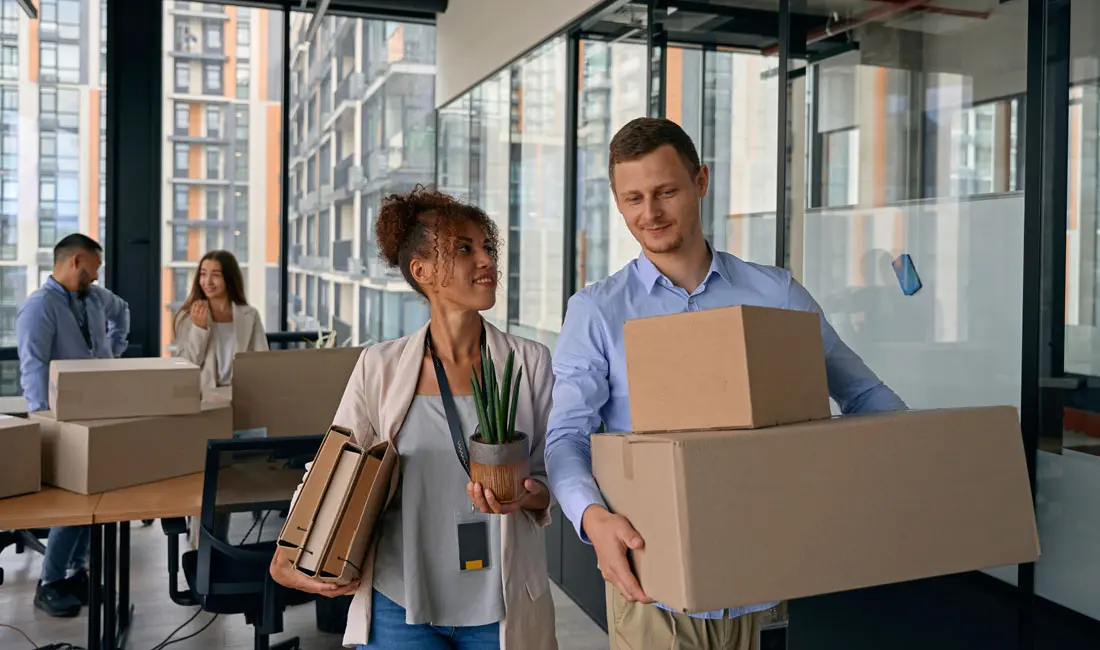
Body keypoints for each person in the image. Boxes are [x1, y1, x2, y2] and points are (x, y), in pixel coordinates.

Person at [545, 117, 908, 650]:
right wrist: (592, 518)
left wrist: (918, 455)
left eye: (666, 192)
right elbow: (566, 437)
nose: (650, 213)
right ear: (618, 203)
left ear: (701, 181)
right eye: (633, 198)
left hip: (764, 579)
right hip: (654, 586)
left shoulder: (775, 294)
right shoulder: (596, 311)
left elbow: (863, 393)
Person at [270, 188, 558, 650]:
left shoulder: (529, 363)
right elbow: (333, 464)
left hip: (501, 603)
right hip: (399, 599)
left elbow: (551, 474)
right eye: (464, 248)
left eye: (487, 246)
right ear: (421, 271)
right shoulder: (380, 366)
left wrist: (523, 495)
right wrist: (289, 545)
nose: (486, 260)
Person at [16, 233, 130, 617]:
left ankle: (75, 572)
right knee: (73, 505)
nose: (96, 278)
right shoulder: (39, 307)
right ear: (75, 261)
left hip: (100, 411)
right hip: (62, 418)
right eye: (93, 270)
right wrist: (44, 420)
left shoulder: (94, 298)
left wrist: (113, 351)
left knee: (92, 503)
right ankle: (49, 582)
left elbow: (122, 311)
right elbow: (32, 367)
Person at [173, 249, 268, 390]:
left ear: (229, 278)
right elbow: (186, 366)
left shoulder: (250, 315)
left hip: (243, 394)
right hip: (202, 396)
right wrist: (199, 329)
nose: (208, 282)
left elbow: (262, 363)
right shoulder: (188, 316)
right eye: (203, 274)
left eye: (216, 275)